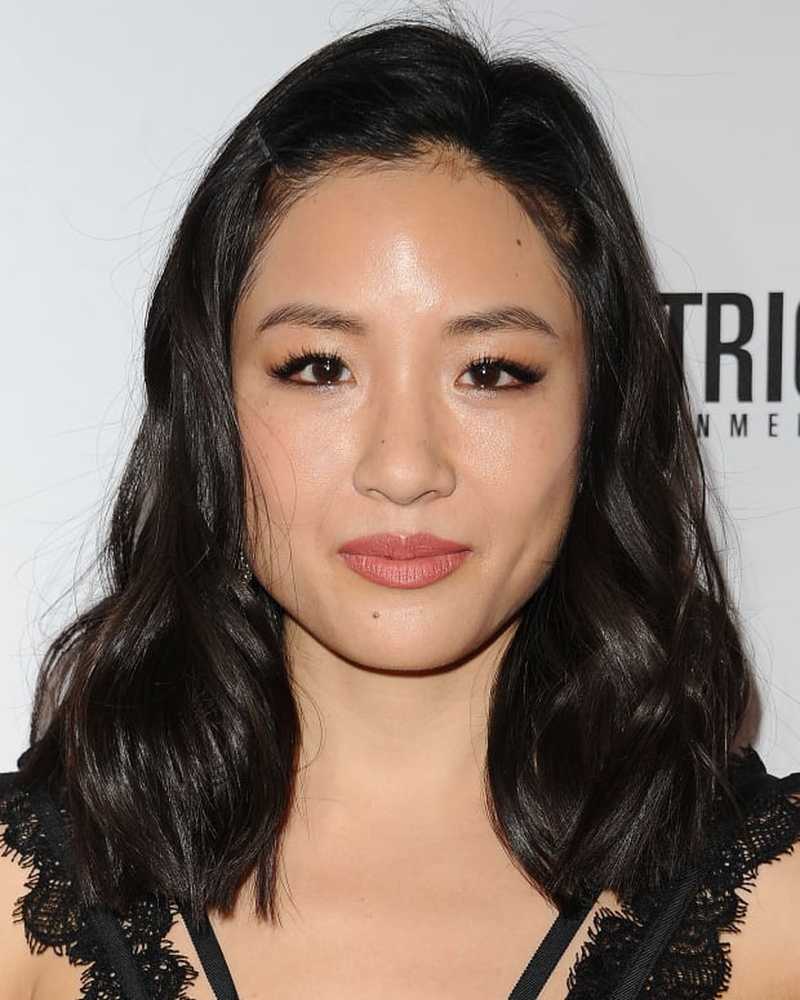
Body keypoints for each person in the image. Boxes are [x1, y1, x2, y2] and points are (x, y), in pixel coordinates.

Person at [1, 10, 798, 1000]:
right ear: (212, 408)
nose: (405, 466)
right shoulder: (21, 906)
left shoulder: (778, 916)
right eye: (319, 366)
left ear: (597, 414)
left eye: (492, 371)